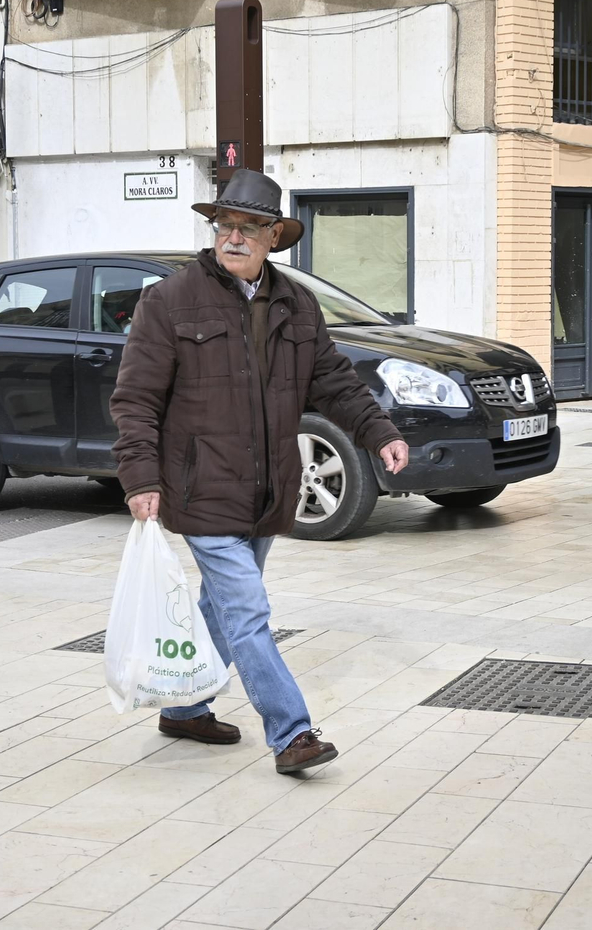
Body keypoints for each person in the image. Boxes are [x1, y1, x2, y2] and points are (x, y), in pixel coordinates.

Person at [110, 168, 410, 775]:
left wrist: (380, 432)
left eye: (249, 227)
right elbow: (135, 398)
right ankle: (292, 733)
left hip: (270, 489)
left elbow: (332, 381)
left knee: (221, 609)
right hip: (201, 488)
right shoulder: (169, 302)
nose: (235, 237)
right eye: (226, 224)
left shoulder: (296, 304)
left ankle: (187, 708)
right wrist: (141, 478)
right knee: (247, 610)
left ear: (275, 237)